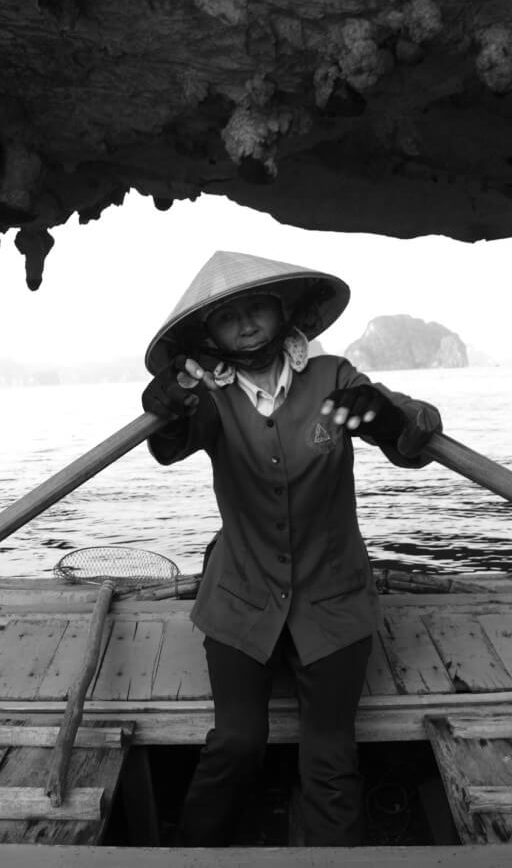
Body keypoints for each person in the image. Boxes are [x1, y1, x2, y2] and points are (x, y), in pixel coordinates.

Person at [141, 250, 442, 847]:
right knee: (237, 741)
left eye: (258, 308)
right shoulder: (210, 398)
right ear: (211, 334)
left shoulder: (333, 378)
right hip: (240, 597)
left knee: (330, 755)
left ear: (284, 312)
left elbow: (416, 436)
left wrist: (385, 417)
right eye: (230, 317)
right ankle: (191, 853)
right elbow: (171, 445)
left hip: (334, 599)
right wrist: (166, 412)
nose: (247, 322)